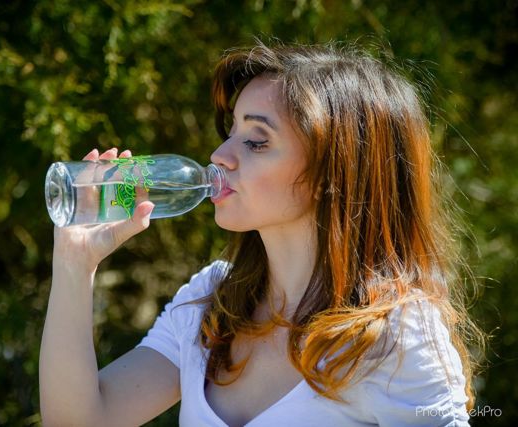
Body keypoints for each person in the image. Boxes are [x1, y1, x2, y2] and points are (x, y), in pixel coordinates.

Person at [39, 41, 484, 426]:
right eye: (231, 130)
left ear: (336, 171)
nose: (219, 155)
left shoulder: (393, 336)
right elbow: (79, 420)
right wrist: (75, 264)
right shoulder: (210, 305)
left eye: (256, 141)